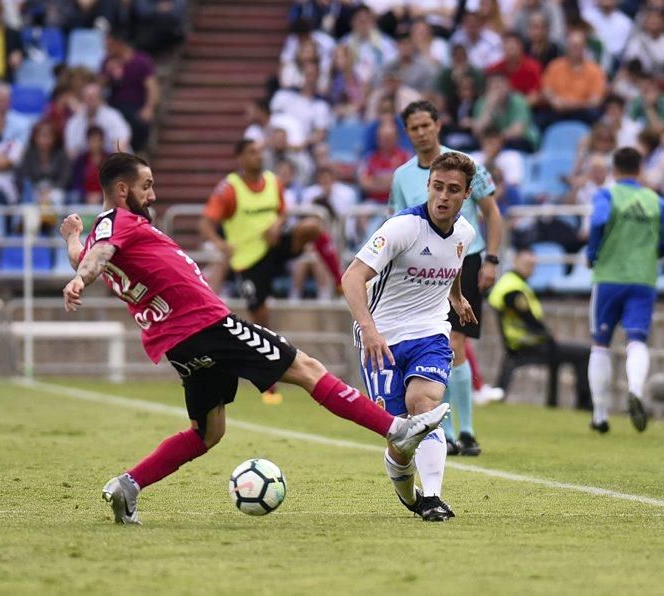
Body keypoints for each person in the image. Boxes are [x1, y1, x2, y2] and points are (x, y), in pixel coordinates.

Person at [58, 152, 449, 525]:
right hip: (206, 325)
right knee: (306, 368)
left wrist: (72, 239)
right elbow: (96, 258)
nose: (153, 194)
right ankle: (397, 429)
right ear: (123, 190)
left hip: (178, 341)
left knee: (209, 432)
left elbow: (88, 256)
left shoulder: (103, 233)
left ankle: (128, 485)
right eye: (147, 185)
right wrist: (80, 279)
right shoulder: (116, 222)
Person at [342, 152, 478, 522]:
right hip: (382, 337)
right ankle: (409, 494)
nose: (443, 197)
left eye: (453, 190)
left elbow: (453, 262)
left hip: (431, 333)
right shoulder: (401, 228)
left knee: (425, 409)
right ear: (428, 186)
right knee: (401, 437)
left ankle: (433, 497)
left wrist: (456, 297)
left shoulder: (465, 232)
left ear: (466, 194)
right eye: (437, 187)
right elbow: (351, 278)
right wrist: (369, 331)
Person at [390, 100, 503, 456]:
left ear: (438, 125)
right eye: (414, 128)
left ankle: (462, 430)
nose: (421, 133)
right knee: (444, 346)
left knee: (455, 345)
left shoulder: (466, 166)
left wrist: (491, 260)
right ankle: (452, 431)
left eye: (426, 125)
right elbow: (397, 225)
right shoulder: (403, 176)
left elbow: (493, 214)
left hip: (463, 261)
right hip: (420, 271)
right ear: (407, 133)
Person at [199, 140, 344, 403]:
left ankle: (339, 281)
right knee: (261, 320)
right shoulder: (229, 188)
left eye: (259, 151)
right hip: (249, 259)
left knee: (313, 226)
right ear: (240, 158)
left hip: (273, 246)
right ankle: (270, 382)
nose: (258, 156)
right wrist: (221, 245)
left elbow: (281, 212)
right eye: (252, 152)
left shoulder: (272, 181)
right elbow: (206, 223)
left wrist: (278, 224)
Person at [586, 146, 664, 433]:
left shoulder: (607, 194)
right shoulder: (655, 200)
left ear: (614, 170)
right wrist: (650, 251)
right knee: (636, 340)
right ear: (640, 170)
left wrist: (592, 253)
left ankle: (600, 415)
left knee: (601, 344)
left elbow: (599, 221)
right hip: (643, 279)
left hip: (610, 277)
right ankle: (636, 390)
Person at [488, 249, 592, 409]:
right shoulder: (513, 288)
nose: (532, 268)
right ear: (516, 262)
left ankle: (553, 402)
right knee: (584, 353)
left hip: (524, 342)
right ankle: (585, 405)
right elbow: (528, 320)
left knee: (567, 352)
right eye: (528, 264)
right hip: (527, 344)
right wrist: (549, 336)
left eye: (534, 265)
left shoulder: (511, 283)